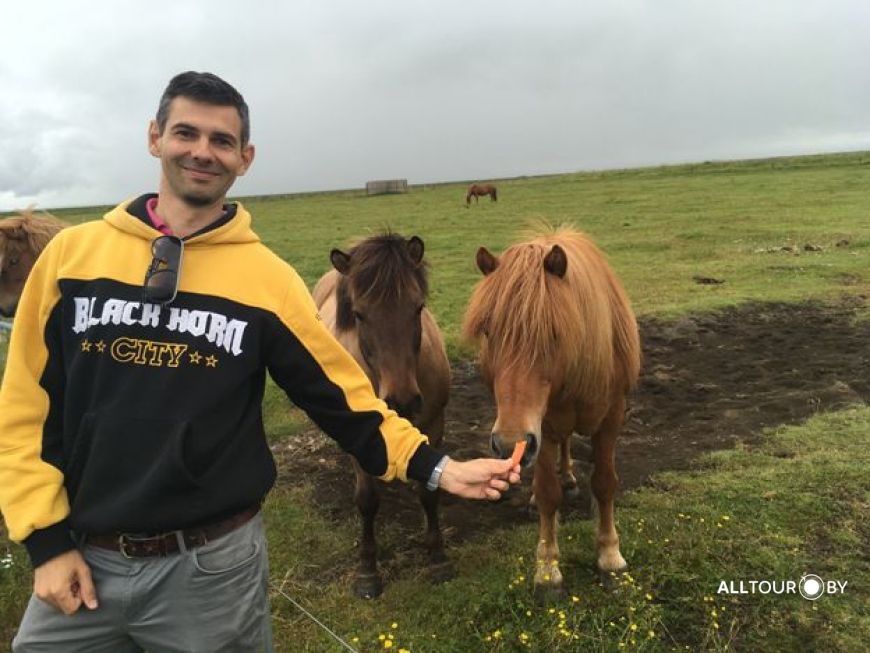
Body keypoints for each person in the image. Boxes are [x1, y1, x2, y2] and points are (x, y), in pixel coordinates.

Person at [0, 71, 520, 652]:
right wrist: (45, 541)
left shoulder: (266, 280)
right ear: (154, 138)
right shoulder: (73, 257)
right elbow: (24, 409)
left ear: (244, 158)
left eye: (222, 141)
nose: (202, 151)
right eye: (185, 133)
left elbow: (341, 398)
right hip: (81, 557)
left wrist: (440, 468)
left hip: (211, 570)